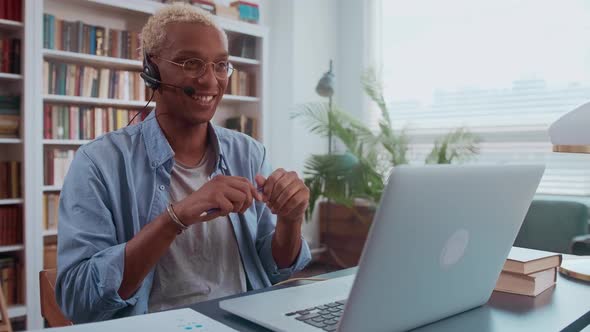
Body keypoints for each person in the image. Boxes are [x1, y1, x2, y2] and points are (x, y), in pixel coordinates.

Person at [55, 3, 311, 323]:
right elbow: (78, 301)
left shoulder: (248, 153)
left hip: (243, 323)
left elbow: (274, 270)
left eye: (221, 65)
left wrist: (290, 220)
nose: (210, 80)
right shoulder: (98, 163)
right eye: (192, 63)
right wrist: (176, 217)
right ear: (152, 68)